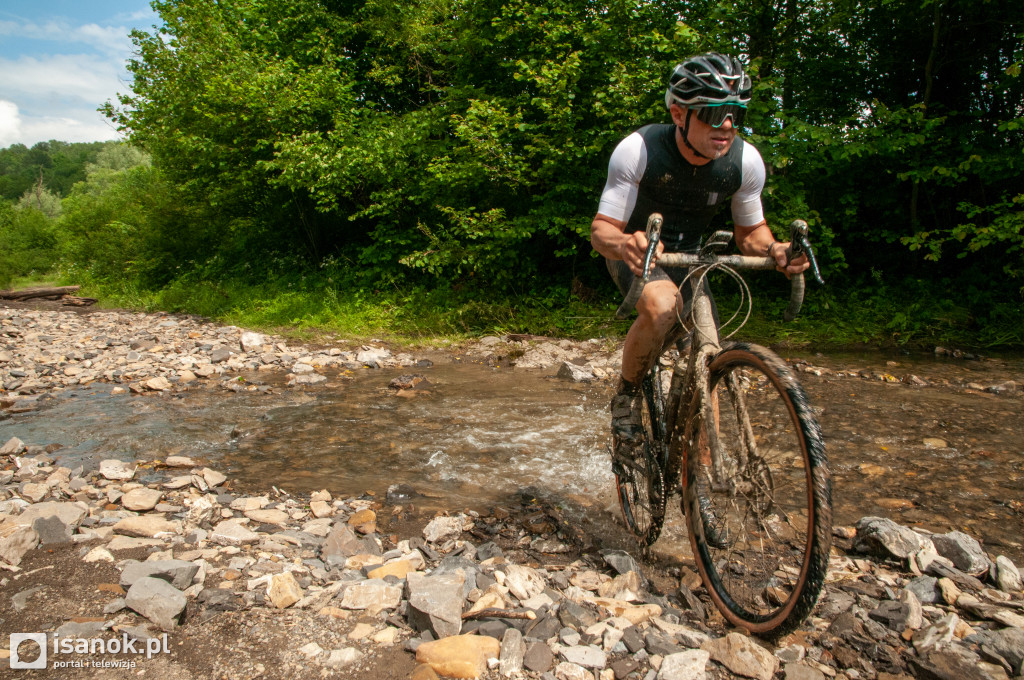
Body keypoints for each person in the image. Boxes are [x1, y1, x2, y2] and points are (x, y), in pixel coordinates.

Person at [590, 52, 809, 448]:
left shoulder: (746, 162)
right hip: (638, 251)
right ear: (679, 114)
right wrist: (626, 244)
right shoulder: (638, 150)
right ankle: (625, 399)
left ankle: (701, 493)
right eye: (713, 113)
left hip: (691, 258)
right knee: (662, 306)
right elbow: (602, 231)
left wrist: (776, 250)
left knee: (709, 361)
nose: (726, 126)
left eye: (736, 115)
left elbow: (752, 234)